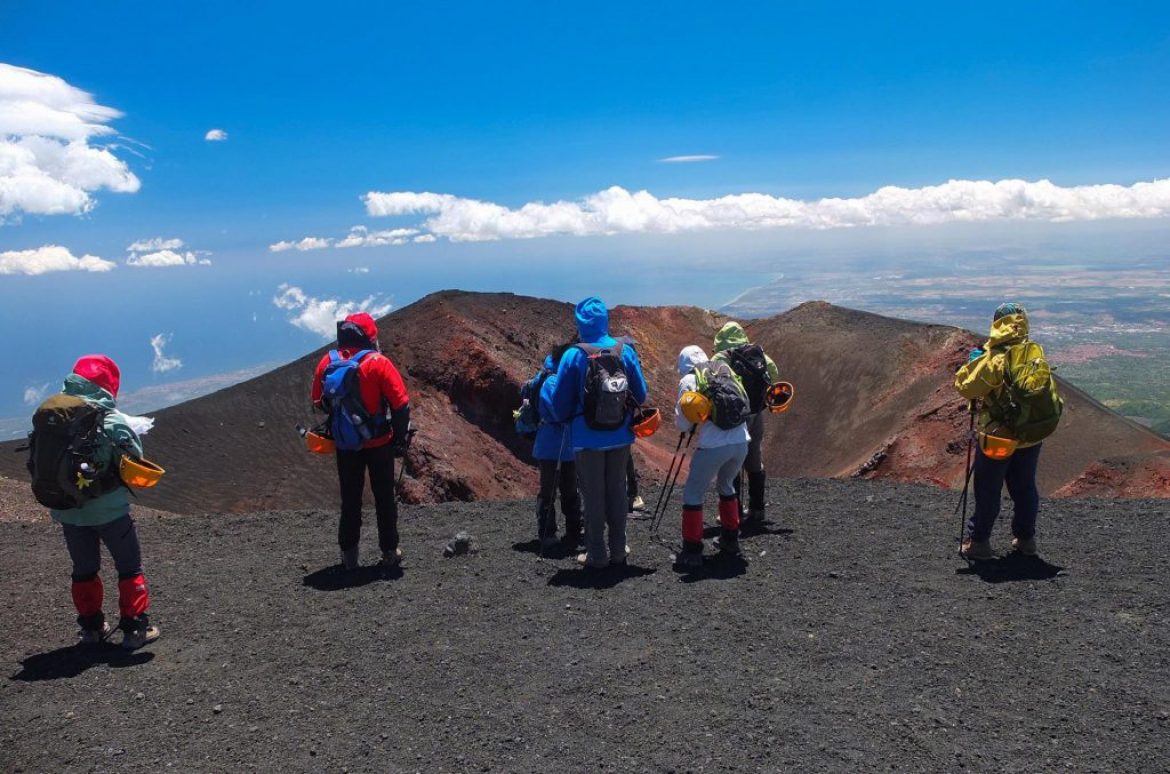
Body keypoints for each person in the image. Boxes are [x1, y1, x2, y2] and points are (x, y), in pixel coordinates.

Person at [44, 356, 159, 649]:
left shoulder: (54, 417)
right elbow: (133, 460)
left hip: (69, 512)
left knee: (84, 570)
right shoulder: (112, 421)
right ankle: (134, 630)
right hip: (110, 512)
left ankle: (92, 630)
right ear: (108, 384)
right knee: (129, 567)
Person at [546, 296, 648, 569]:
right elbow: (641, 393)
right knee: (617, 491)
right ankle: (618, 550)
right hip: (620, 435)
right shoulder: (623, 350)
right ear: (605, 320)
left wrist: (567, 419)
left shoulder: (573, 355)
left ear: (580, 323)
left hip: (586, 438)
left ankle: (596, 554)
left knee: (591, 495)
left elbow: (558, 403)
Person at [954, 302, 1059, 560]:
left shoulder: (996, 359)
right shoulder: (1032, 356)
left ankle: (978, 543)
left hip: (998, 437)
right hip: (1030, 434)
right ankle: (1026, 540)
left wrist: (974, 364)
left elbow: (965, 387)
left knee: (988, 489)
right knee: (1024, 488)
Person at [311, 312, 411, 571]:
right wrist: (400, 439)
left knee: (350, 499)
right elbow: (401, 405)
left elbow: (318, 403)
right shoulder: (378, 363)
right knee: (384, 498)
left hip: (346, 445)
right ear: (370, 336)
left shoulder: (326, 363)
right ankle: (389, 551)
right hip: (379, 443)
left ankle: (349, 558)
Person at [673, 346, 750, 568]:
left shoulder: (689, 380)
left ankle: (692, 551)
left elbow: (683, 424)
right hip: (741, 441)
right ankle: (730, 539)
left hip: (714, 446)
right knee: (726, 485)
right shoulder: (724, 370)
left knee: (693, 493)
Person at [712, 322, 780, 527]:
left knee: (731, 463)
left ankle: (734, 514)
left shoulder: (721, 357)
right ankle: (758, 509)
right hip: (756, 414)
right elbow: (774, 375)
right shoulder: (757, 354)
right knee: (754, 458)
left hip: (733, 417)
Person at [531, 343, 583, 550]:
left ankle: (568, 531)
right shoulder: (552, 382)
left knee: (566, 489)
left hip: (556, 444)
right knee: (552, 490)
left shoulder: (556, 380)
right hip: (556, 444)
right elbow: (557, 412)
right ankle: (550, 532)